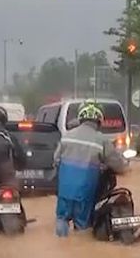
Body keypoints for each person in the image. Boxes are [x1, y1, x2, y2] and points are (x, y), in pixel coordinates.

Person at [53, 100, 127, 237]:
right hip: (85, 192)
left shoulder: (67, 136)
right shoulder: (102, 140)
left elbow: (55, 160)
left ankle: (61, 244)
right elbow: (118, 165)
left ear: (80, 118)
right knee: (82, 227)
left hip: (65, 190)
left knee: (61, 219)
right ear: (99, 120)